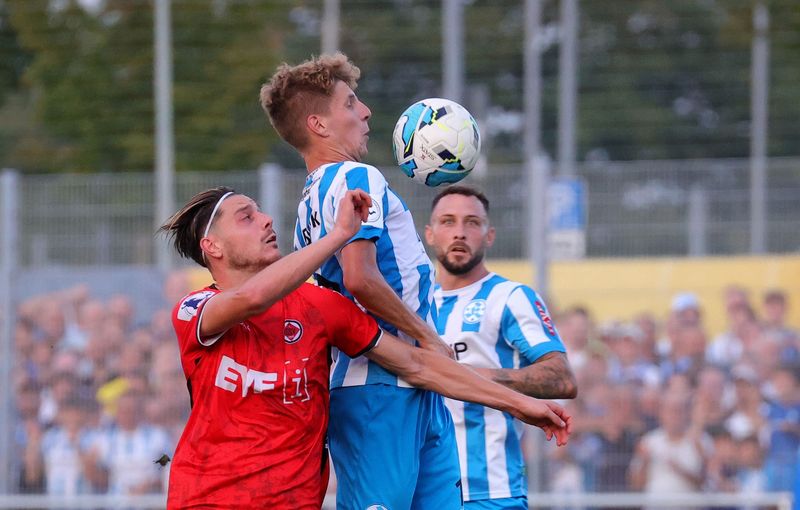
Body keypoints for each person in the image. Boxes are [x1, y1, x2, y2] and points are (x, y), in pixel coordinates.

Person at [158, 187, 571, 509]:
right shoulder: (195, 309)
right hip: (208, 499)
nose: (266, 219)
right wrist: (340, 235)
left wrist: (517, 403)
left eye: (261, 211)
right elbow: (251, 299)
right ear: (212, 247)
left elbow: (416, 365)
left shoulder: (318, 306)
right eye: (247, 217)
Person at [260, 52, 465, 508]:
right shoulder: (355, 176)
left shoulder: (309, 202)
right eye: (351, 103)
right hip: (378, 387)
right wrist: (427, 336)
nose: (366, 111)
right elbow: (359, 277)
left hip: (409, 383)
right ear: (318, 125)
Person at [424, 185, 577, 509]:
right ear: (430, 234)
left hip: (490, 491)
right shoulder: (414, 305)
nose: (460, 232)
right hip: (424, 490)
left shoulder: (510, 297)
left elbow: (561, 377)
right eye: (448, 221)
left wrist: (462, 377)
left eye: (472, 222)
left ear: (489, 235)